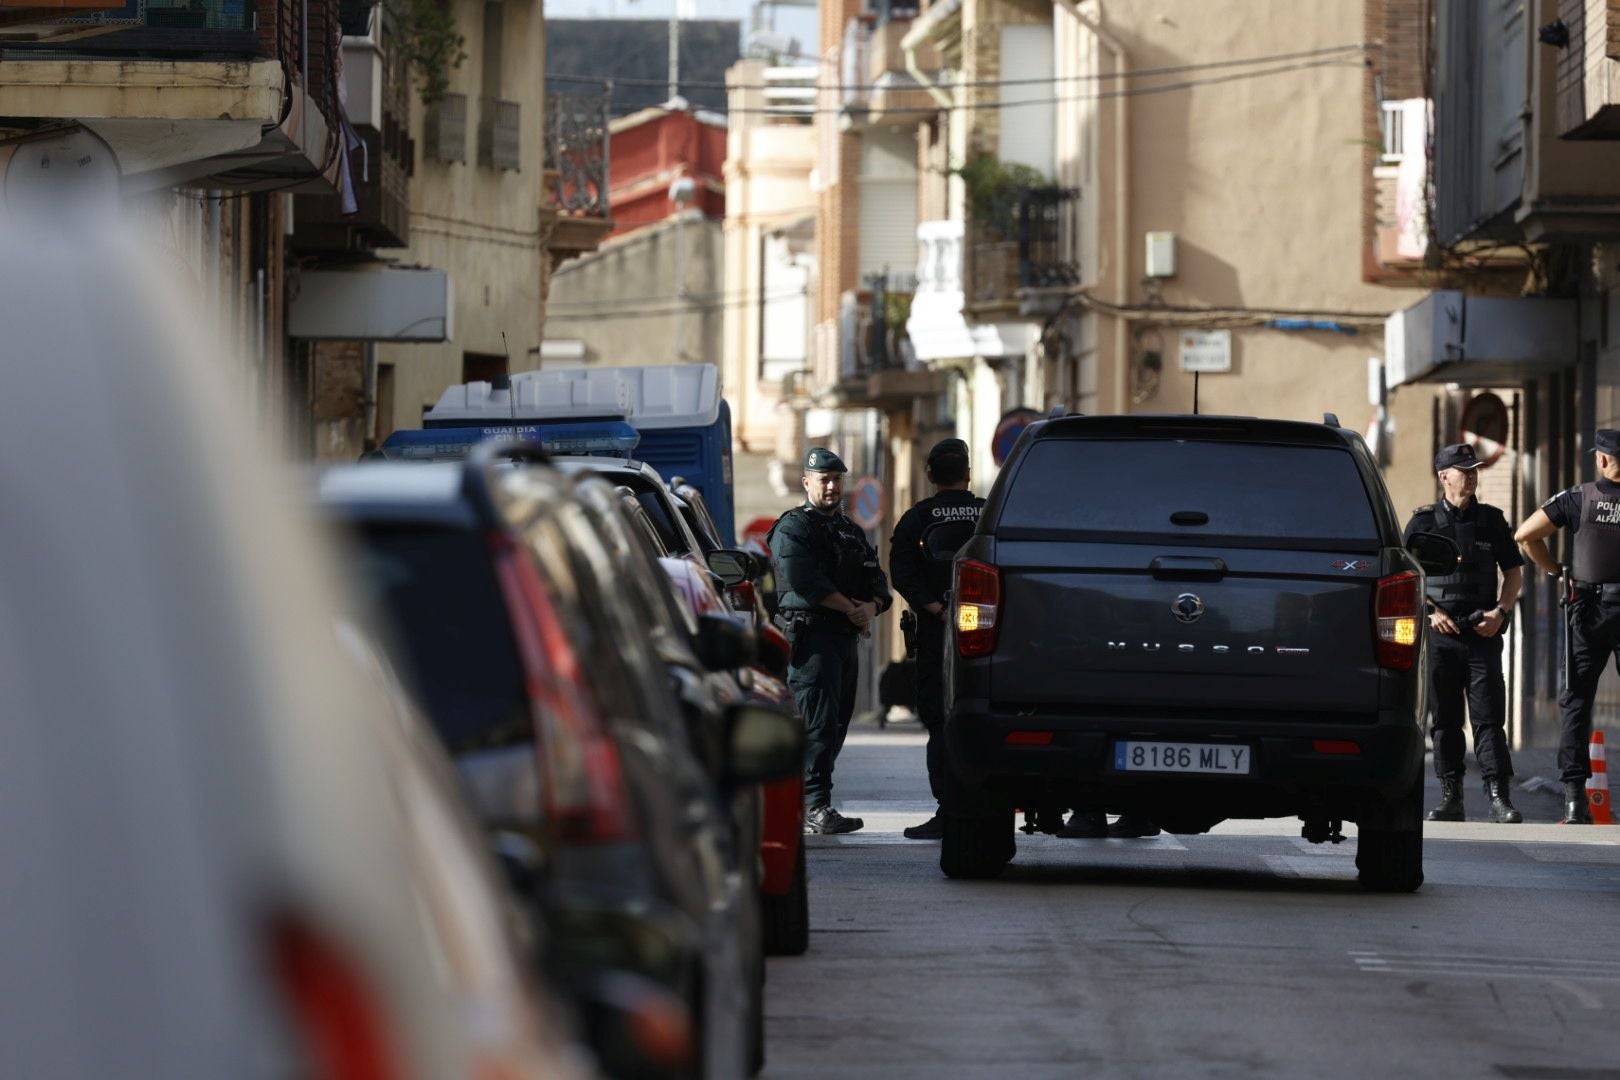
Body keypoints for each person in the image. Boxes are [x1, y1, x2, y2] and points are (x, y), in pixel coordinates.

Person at [768, 448, 893, 835]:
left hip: (843, 638)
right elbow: (805, 581)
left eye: (837, 479)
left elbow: (879, 584)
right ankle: (812, 804)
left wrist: (869, 608)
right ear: (807, 482)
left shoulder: (851, 531)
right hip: (812, 638)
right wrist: (849, 609)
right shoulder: (793, 528)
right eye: (823, 478)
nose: (831, 485)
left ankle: (814, 803)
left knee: (837, 724)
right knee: (817, 723)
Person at [1403, 443, 1524, 823]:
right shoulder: (1422, 524)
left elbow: (1514, 573)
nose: (1471, 476)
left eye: (1474, 470)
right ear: (1444, 476)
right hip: (1441, 637)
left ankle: (1499, 798)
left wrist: (1501, 613)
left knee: (1489, 719)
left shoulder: (1491, 521)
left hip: (1482, 635)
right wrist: (1430, 611)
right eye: (1463, 470)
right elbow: (1406, 578)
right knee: (1446, 721)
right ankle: (1451, 796)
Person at [1513, 428, 1620, 825]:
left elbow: (1525, 535)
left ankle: (1575, 802)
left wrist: (1556, 569)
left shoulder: (1579, 497)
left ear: (1603, 461)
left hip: (1588, 609)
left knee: (1576, 702)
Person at [887, 438, 986, 840]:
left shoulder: (915, 519)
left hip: (936, 633)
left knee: (939, 722)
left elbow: (902, 574)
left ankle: (948, 810)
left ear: (929, 475)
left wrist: (937, 609)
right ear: (968, 474)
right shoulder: (987, 513)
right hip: (985, 632)